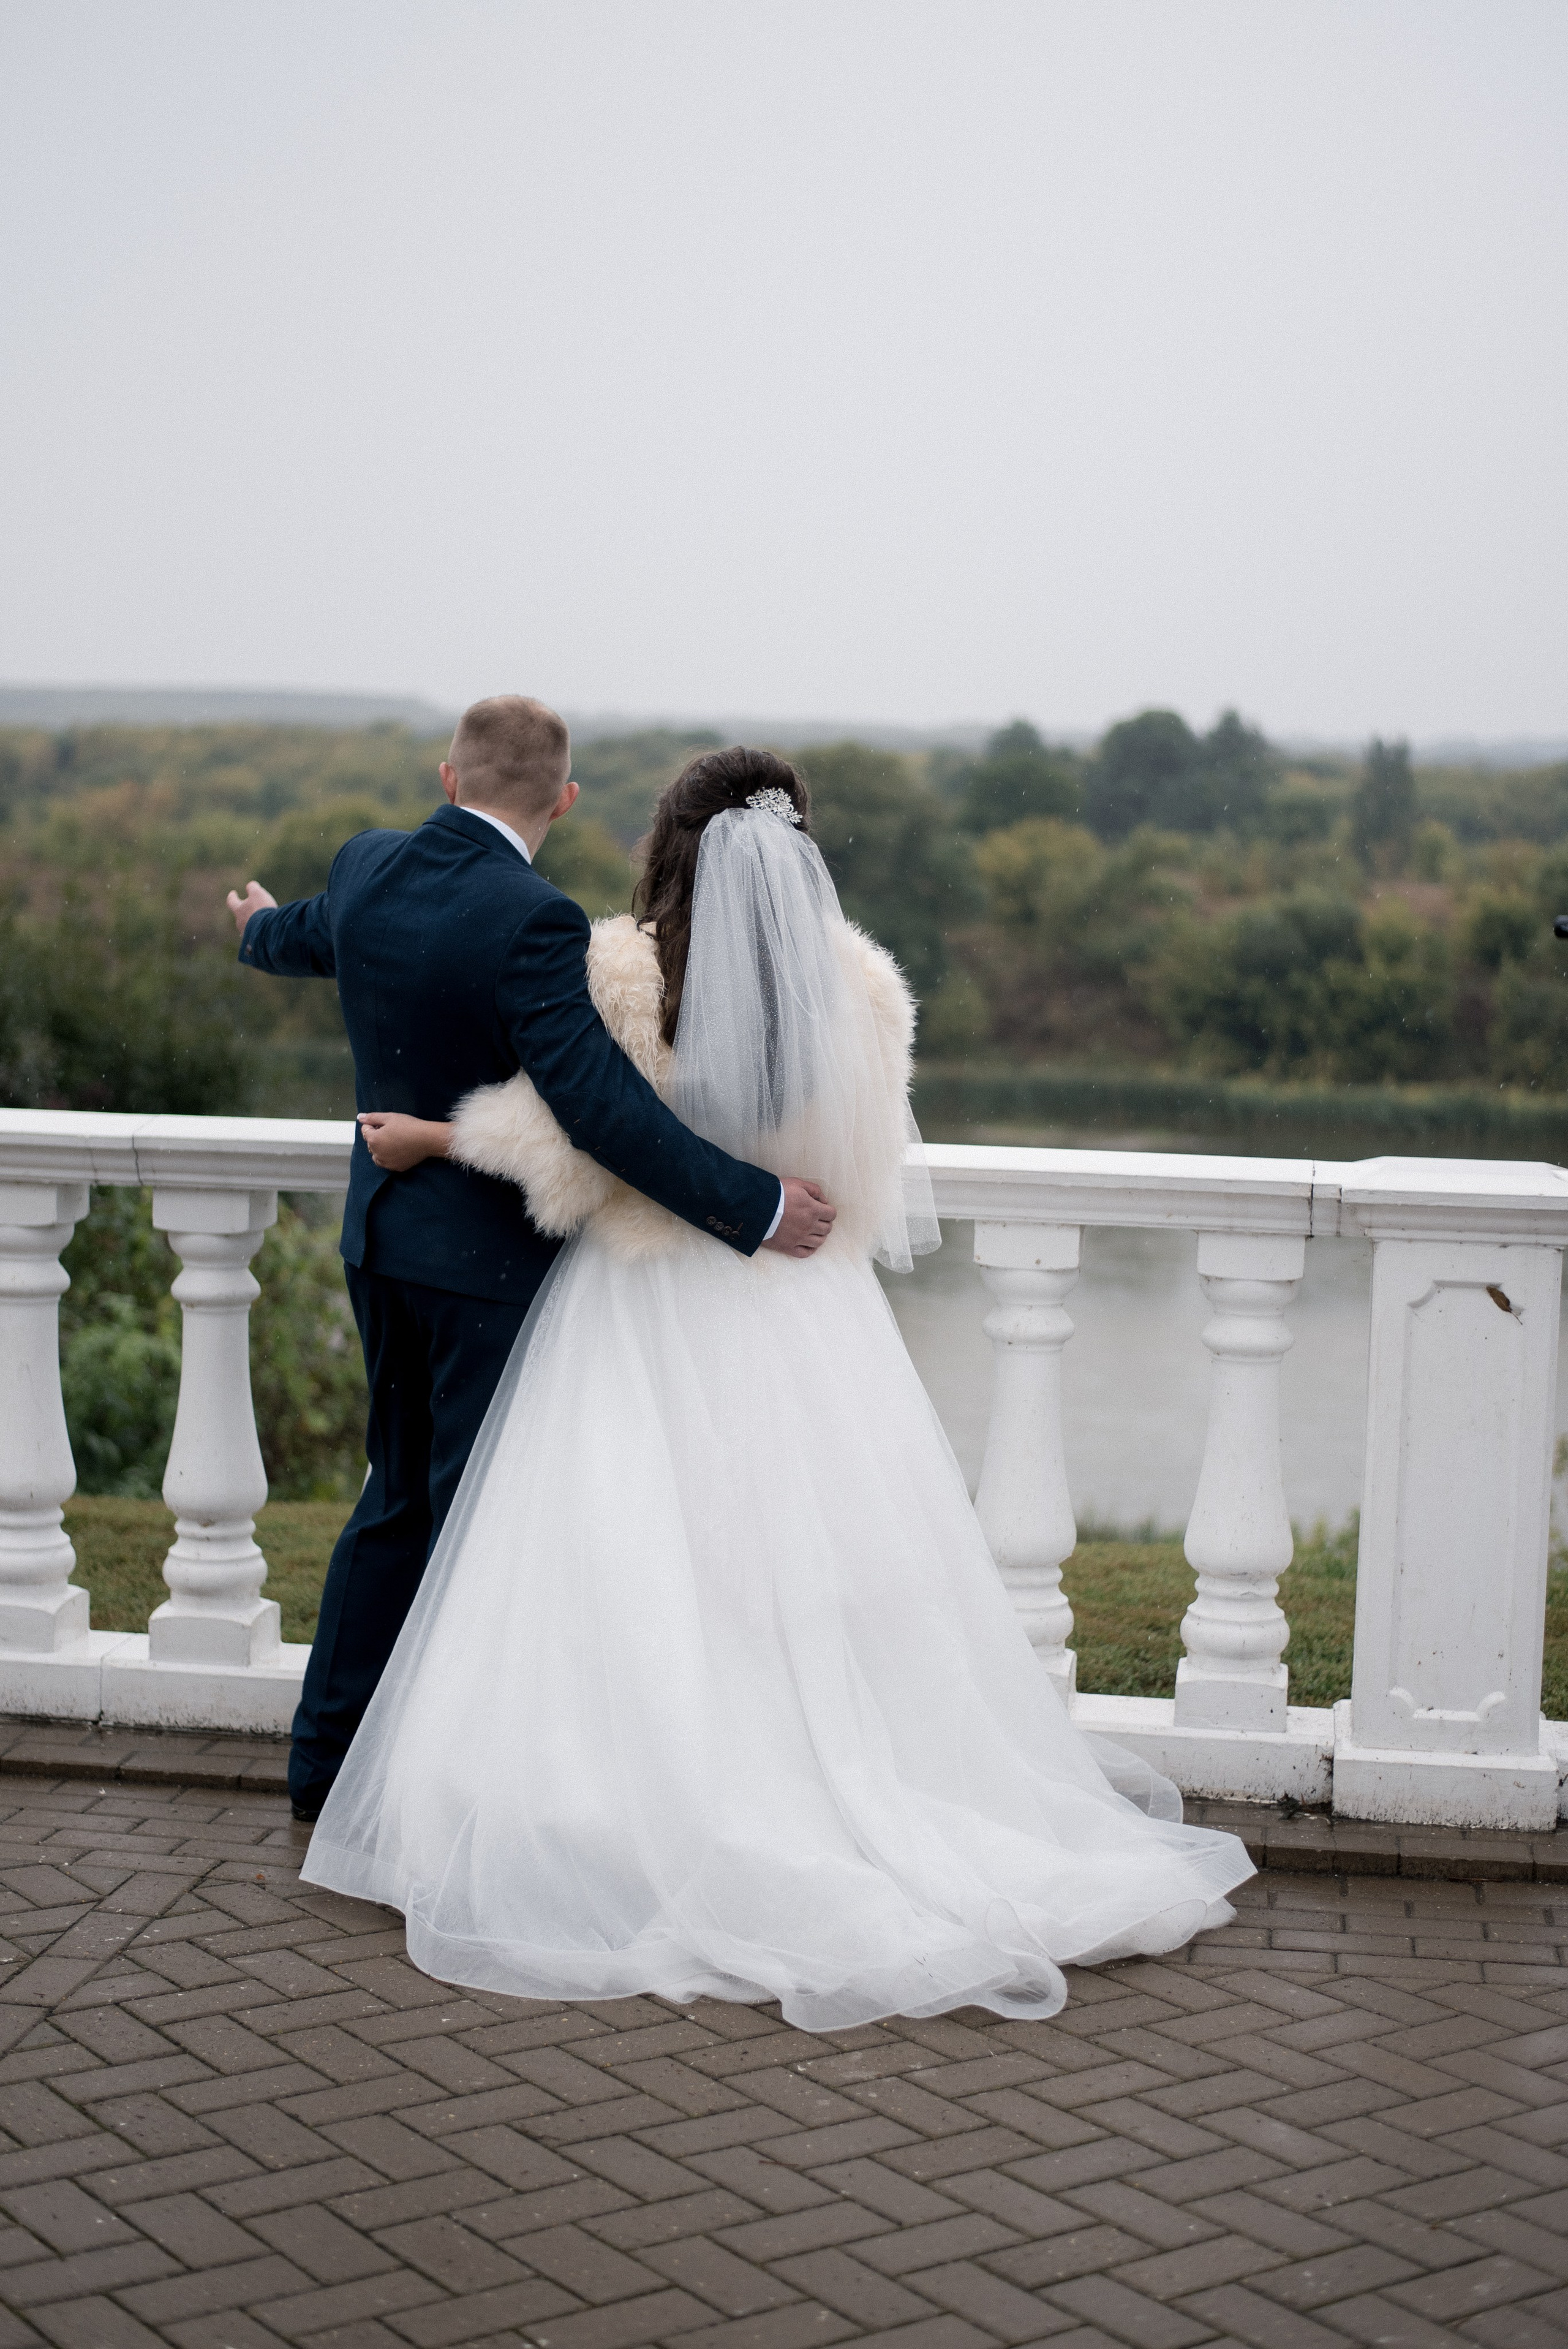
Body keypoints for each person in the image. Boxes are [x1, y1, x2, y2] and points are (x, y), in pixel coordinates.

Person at [300, 746, 1253, 2030]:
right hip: (808, 1305)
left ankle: (643, 1795)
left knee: (635, 1550)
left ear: (666, 844)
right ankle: (828, 1773)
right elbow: (866, 1155)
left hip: (646, 1301)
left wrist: (434, 1136)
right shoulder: (858, 985)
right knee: (812, 1556)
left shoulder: (625, 970)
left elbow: (582, 1145)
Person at [228, 699, 835, 1823]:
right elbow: (601, 1110)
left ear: (447, 774)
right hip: (486, 1272)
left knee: (393, 1499)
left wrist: (255, 924)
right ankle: (450, 1793)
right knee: (478, 1527)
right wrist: (753, 1208)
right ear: (562, 800)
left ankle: (325, 1766)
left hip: (379, 1244)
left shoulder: (365, 865)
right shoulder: (537, 921)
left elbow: (305, 934)